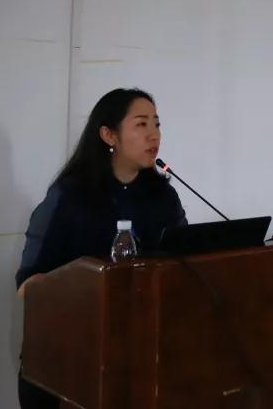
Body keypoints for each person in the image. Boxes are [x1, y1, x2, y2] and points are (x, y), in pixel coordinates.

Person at [15, 88, 187, 409]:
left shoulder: (163, 197)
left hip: (141, 356)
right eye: (141, 124)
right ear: (109, 135)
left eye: (157, 124)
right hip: (66, 360)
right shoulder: (70, 195)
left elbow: (185, 263)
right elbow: (28, 285)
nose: (154, 135)